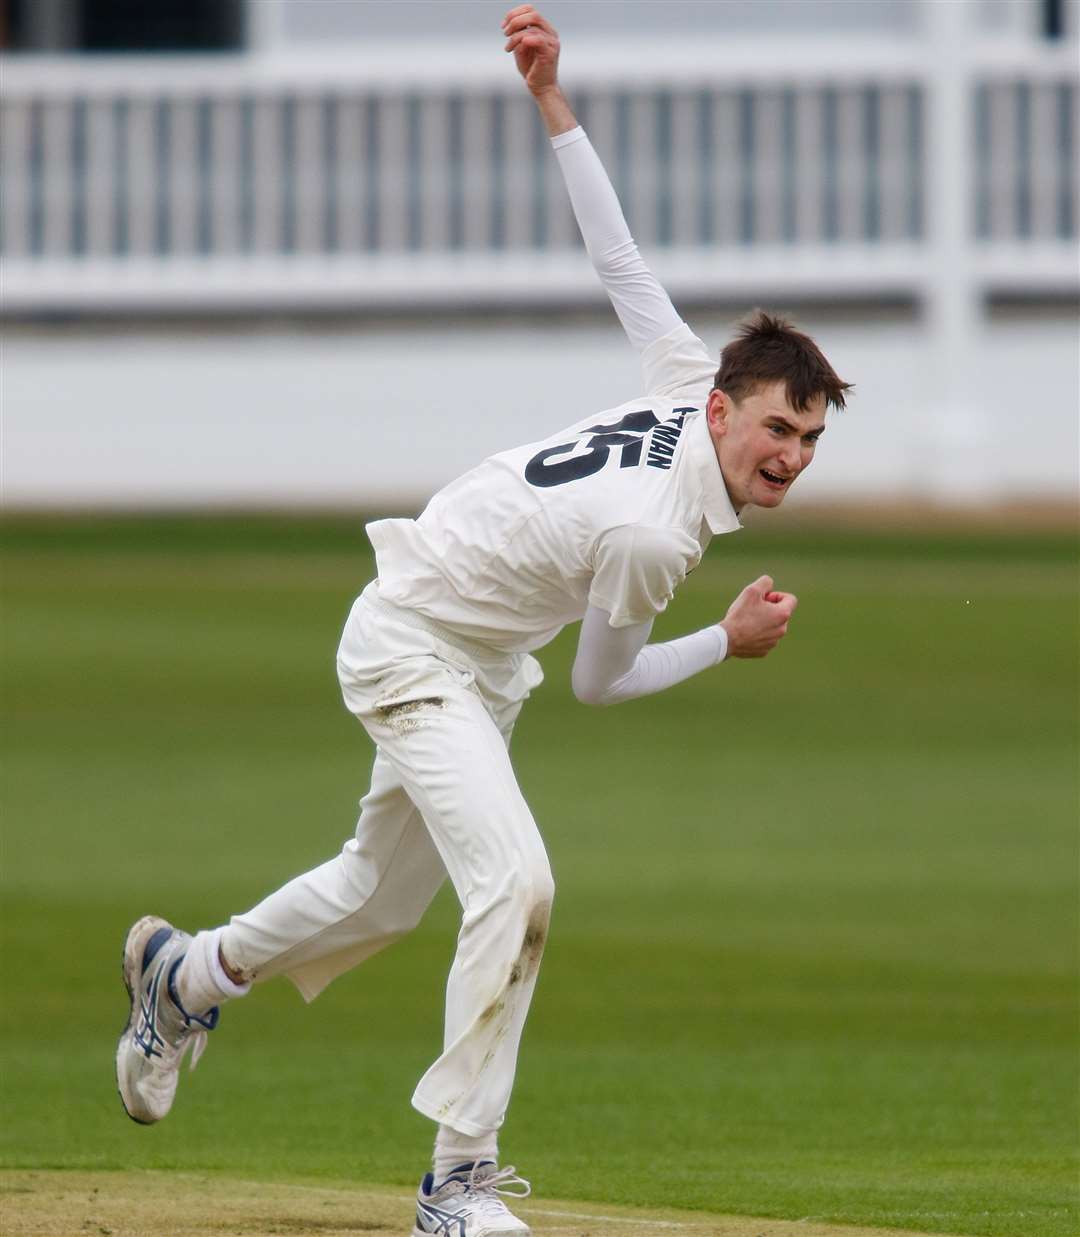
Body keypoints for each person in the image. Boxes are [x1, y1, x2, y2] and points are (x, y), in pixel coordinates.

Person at [114, 7, 852, 1236]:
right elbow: (600, 687)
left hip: (469, 651)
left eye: (811, 440)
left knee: (380, 897)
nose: (790, 457)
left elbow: (620, 260)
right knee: (516, 884)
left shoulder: (682, 381)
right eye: (777, 428)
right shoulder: (654, 533)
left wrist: (555, 104)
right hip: (414, 643)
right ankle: (456, 1180)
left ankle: (186, 976)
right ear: (726, 410)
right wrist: (727, 640)